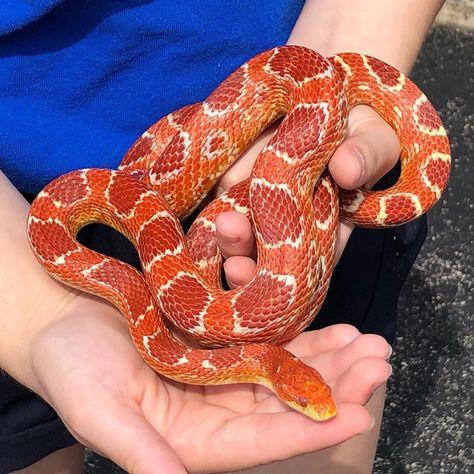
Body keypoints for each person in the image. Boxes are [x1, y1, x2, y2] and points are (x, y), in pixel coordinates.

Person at [0, 1, 445, 473]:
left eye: (307, 398)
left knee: (322, 434)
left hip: (314, 158)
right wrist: (38, 313)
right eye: (306, 398)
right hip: (17, 240)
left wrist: (344, 48)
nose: (318, 403)